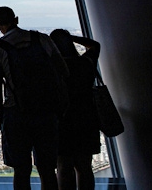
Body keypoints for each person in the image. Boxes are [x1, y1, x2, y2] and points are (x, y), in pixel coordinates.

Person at [0, 7, 69, 190]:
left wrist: (1, 113)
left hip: (16, 112)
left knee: (21, 169)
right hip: (46, 111)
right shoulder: (42, 39)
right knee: (48, 169)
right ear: (16, 19)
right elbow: (63, 71)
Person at [49, 29, 101, 190]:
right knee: (84, 167)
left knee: (63, 166)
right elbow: (94, 45)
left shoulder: (52, 68)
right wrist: (70, 38)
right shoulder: (85, 62)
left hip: (62, 120)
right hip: (86, 118)